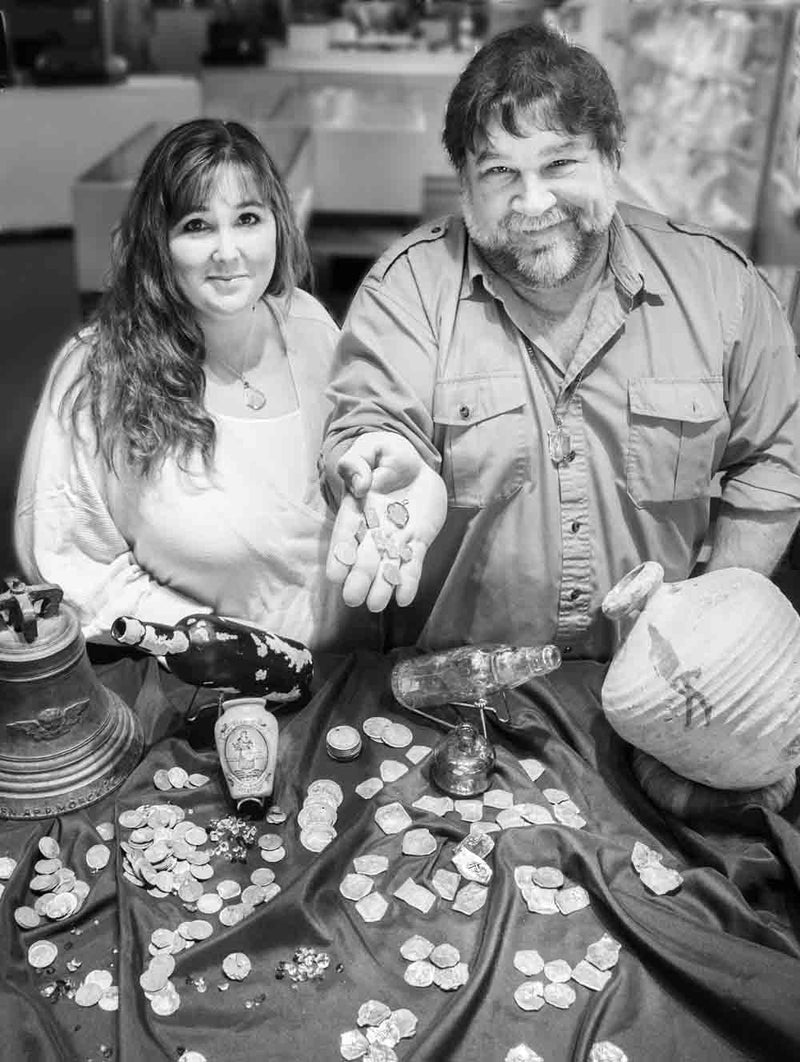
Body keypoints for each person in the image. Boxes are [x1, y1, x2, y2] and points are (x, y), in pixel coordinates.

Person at [320, 23, 800, 660]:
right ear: (463, 185)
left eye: (560, 163)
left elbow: (773, 458)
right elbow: (371, 420)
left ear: (610, 159)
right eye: (499, 172)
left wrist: (708, 625)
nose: (533, 199)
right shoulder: (407, 289)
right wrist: (382, 464)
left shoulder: (722, 290)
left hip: (662, 689)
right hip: (461, 699)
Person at [15, 118, 377, 652]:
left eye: (248, 218)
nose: (228, 252)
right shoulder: (99, 371)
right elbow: (73, 565)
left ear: (278, 224)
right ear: (157, 242)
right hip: (202, 692)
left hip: (343, 678)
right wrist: (220, 644)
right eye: (197, 226)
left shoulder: (310, 326)